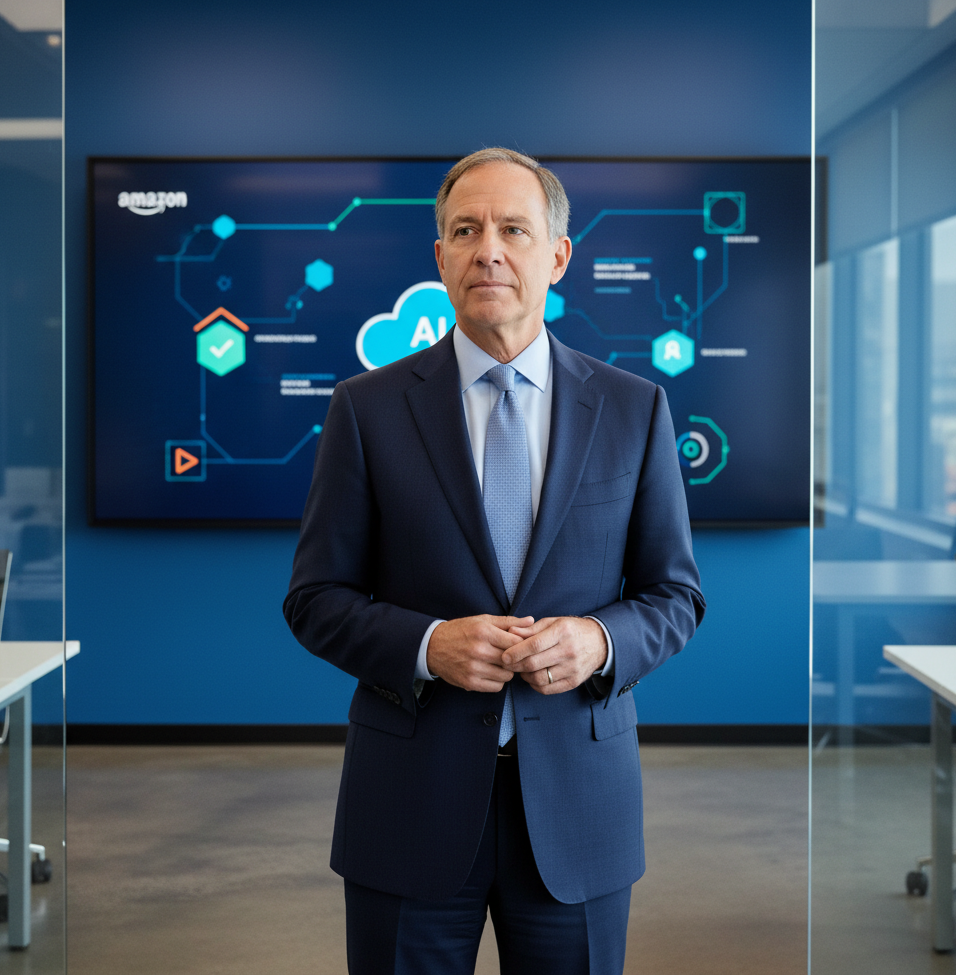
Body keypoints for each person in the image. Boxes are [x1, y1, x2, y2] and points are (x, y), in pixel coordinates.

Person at [284, 148, 705, 975]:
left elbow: (675, 596)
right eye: (466, 230)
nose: (490, 251)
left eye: (515, 228)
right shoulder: (365, 411)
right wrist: (425, 644)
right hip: (408, 805)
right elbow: (315, 597)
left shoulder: (633, 408)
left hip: (579, 807)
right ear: (439, 256)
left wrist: (599, 643)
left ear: (557, 256)